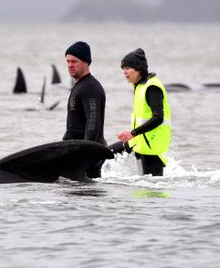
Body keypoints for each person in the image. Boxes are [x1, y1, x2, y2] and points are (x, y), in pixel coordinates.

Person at [109, 48, 171, 176]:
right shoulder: (139, 85)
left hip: (152, 147)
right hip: (139, 141)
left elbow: (158, 118)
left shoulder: (152, 87)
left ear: (139, 69)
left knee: (151, 190)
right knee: (105, 153)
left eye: (127, 68)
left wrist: (133, 133)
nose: (124, 73)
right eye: (123, 69)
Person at [63, 41, 107, 178]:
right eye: (68, 61)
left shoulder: (90, 88)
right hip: (79, 150)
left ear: (86, 62)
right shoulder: (81, 85)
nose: (70, 65)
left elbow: (93, 121)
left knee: (87, 195)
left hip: (88, 153)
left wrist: (85, 153)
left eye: (74, 61)